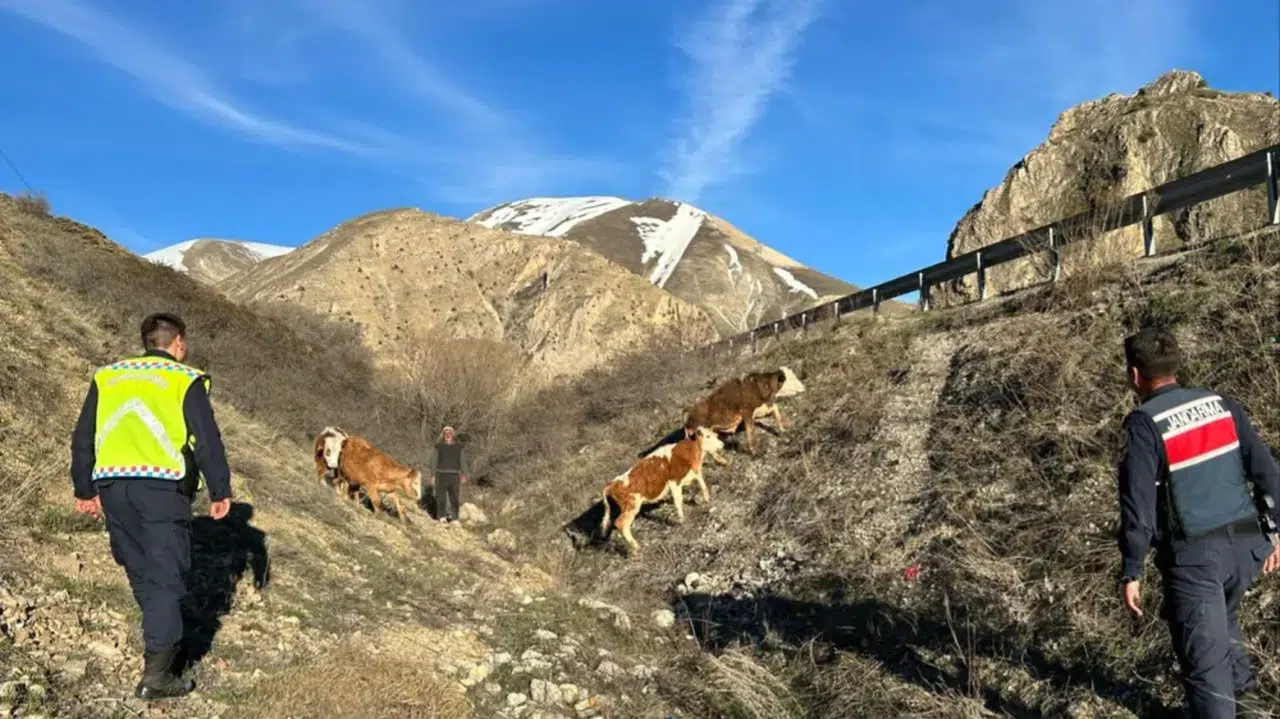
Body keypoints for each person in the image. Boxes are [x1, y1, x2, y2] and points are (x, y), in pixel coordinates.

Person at [1116, 327, 1280, 718]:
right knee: (1224, 627)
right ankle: (1251, 710)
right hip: (1246, 548)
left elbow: (1137, 505)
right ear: (1176, 366)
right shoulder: (1222, 404)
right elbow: (1268, 472)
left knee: (1206, 670)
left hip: (1196, 558)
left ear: (1135, 375)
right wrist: (1274, 530)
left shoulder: (1144, 423)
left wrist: (1131, 569)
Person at [70, 313, 232, 701]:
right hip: (161, 486)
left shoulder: (108, 376)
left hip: (112, 485)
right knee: (165, 577)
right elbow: (206, 439)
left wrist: (83, 486)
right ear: (177, 342)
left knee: (139, 566)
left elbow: (83, 435)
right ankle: (158, 674)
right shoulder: (184, 378)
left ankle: (159, 635)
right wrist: (219, 489)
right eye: (184, 343)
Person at [431, 425, 468, 524]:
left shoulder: (459, 447)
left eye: (450, 433)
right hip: (441, 474)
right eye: (446, 433)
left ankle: (454, 517)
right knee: (441, 497)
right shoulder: (438, 447)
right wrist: (433, 475)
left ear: (453, 435)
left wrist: (464, 474)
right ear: (443, 435)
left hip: (455, 475)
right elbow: (434, 461)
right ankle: (442, 516)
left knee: (455, 498)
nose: (448, 435)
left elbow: (463, 462)